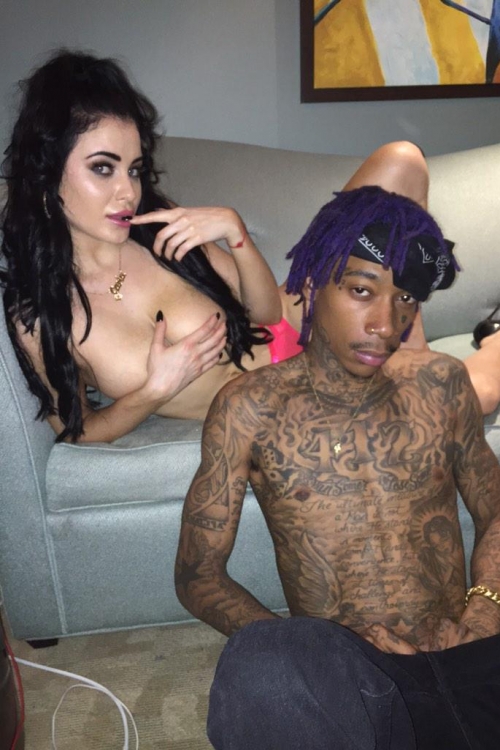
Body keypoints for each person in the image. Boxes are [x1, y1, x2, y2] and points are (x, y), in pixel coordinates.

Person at [175, 186, 500, 749]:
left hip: (473, 650)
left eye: (405, 299)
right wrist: (312, 653)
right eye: (361, 290)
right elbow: (197, 574)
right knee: (260, 667)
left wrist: (485, 612)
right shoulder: (248, 408)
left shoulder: (442, 383)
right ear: (309, 284)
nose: (386, 324)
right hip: (355, 682)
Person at [0, 49, 430, 444]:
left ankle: (415, 353)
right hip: (283, 393)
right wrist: (155, 391)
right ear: (46, 172)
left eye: (133, 170)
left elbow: (269, 313)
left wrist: (234, 231)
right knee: (435, 399)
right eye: (102, 168)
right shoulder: (38, 313)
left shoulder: (158, 227)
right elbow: (77, 431)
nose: (128, 192)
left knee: (401, 161)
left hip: (301, 324)